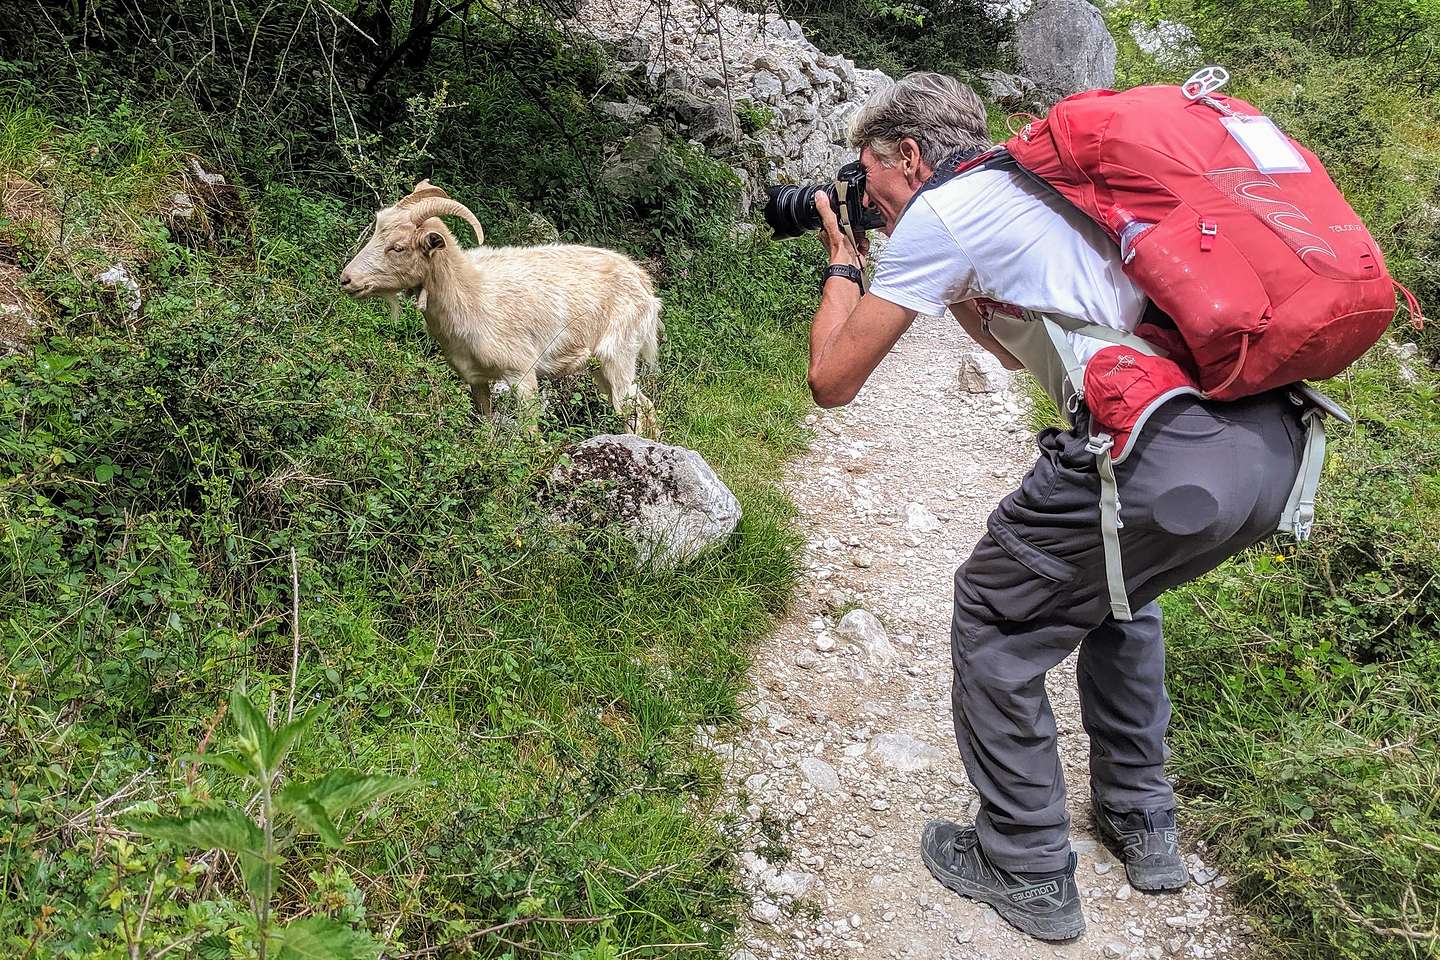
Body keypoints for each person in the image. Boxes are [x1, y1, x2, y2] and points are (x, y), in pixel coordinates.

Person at [806, 72, 1305, 942]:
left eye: (873, 176)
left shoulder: (946, 209)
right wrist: (959, 287)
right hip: (1264, 449)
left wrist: (845, 267)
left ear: (910, 156)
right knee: (1117, 593)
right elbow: (1005, 355)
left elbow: (832, 382)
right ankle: (1142, 824)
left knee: (994, 613)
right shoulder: (1044, 185)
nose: (871, 196)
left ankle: (1025, 863)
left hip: (1157, 454)